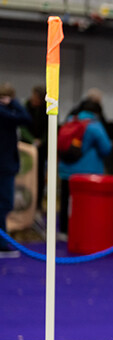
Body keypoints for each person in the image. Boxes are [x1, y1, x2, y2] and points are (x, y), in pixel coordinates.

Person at [57, 100, 112, 236]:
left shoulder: (70, 120)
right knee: (85, 206)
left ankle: (64, 231)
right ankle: (82, 232)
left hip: (66, 170)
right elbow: (106, 148)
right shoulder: (95, 125)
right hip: (87, 174)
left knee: (66, 202)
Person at [0, 83, 32, 258]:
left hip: (6, 164)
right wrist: (14, 103)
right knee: (4, 204)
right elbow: (26, 118)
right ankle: (1, 244)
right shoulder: (5, 114)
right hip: (4, 166)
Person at [21, 85, 47, 211]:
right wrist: (31, 140)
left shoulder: (47, 110)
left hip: (41, 149)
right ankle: (24, 204)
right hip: (26, 147)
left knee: (39, 176)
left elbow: (49, 129)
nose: (33, 99)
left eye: (36, 97)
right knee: (24, 174)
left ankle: (37, 204)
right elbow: (22, 125)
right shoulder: (26, 106)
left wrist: (41, 141)